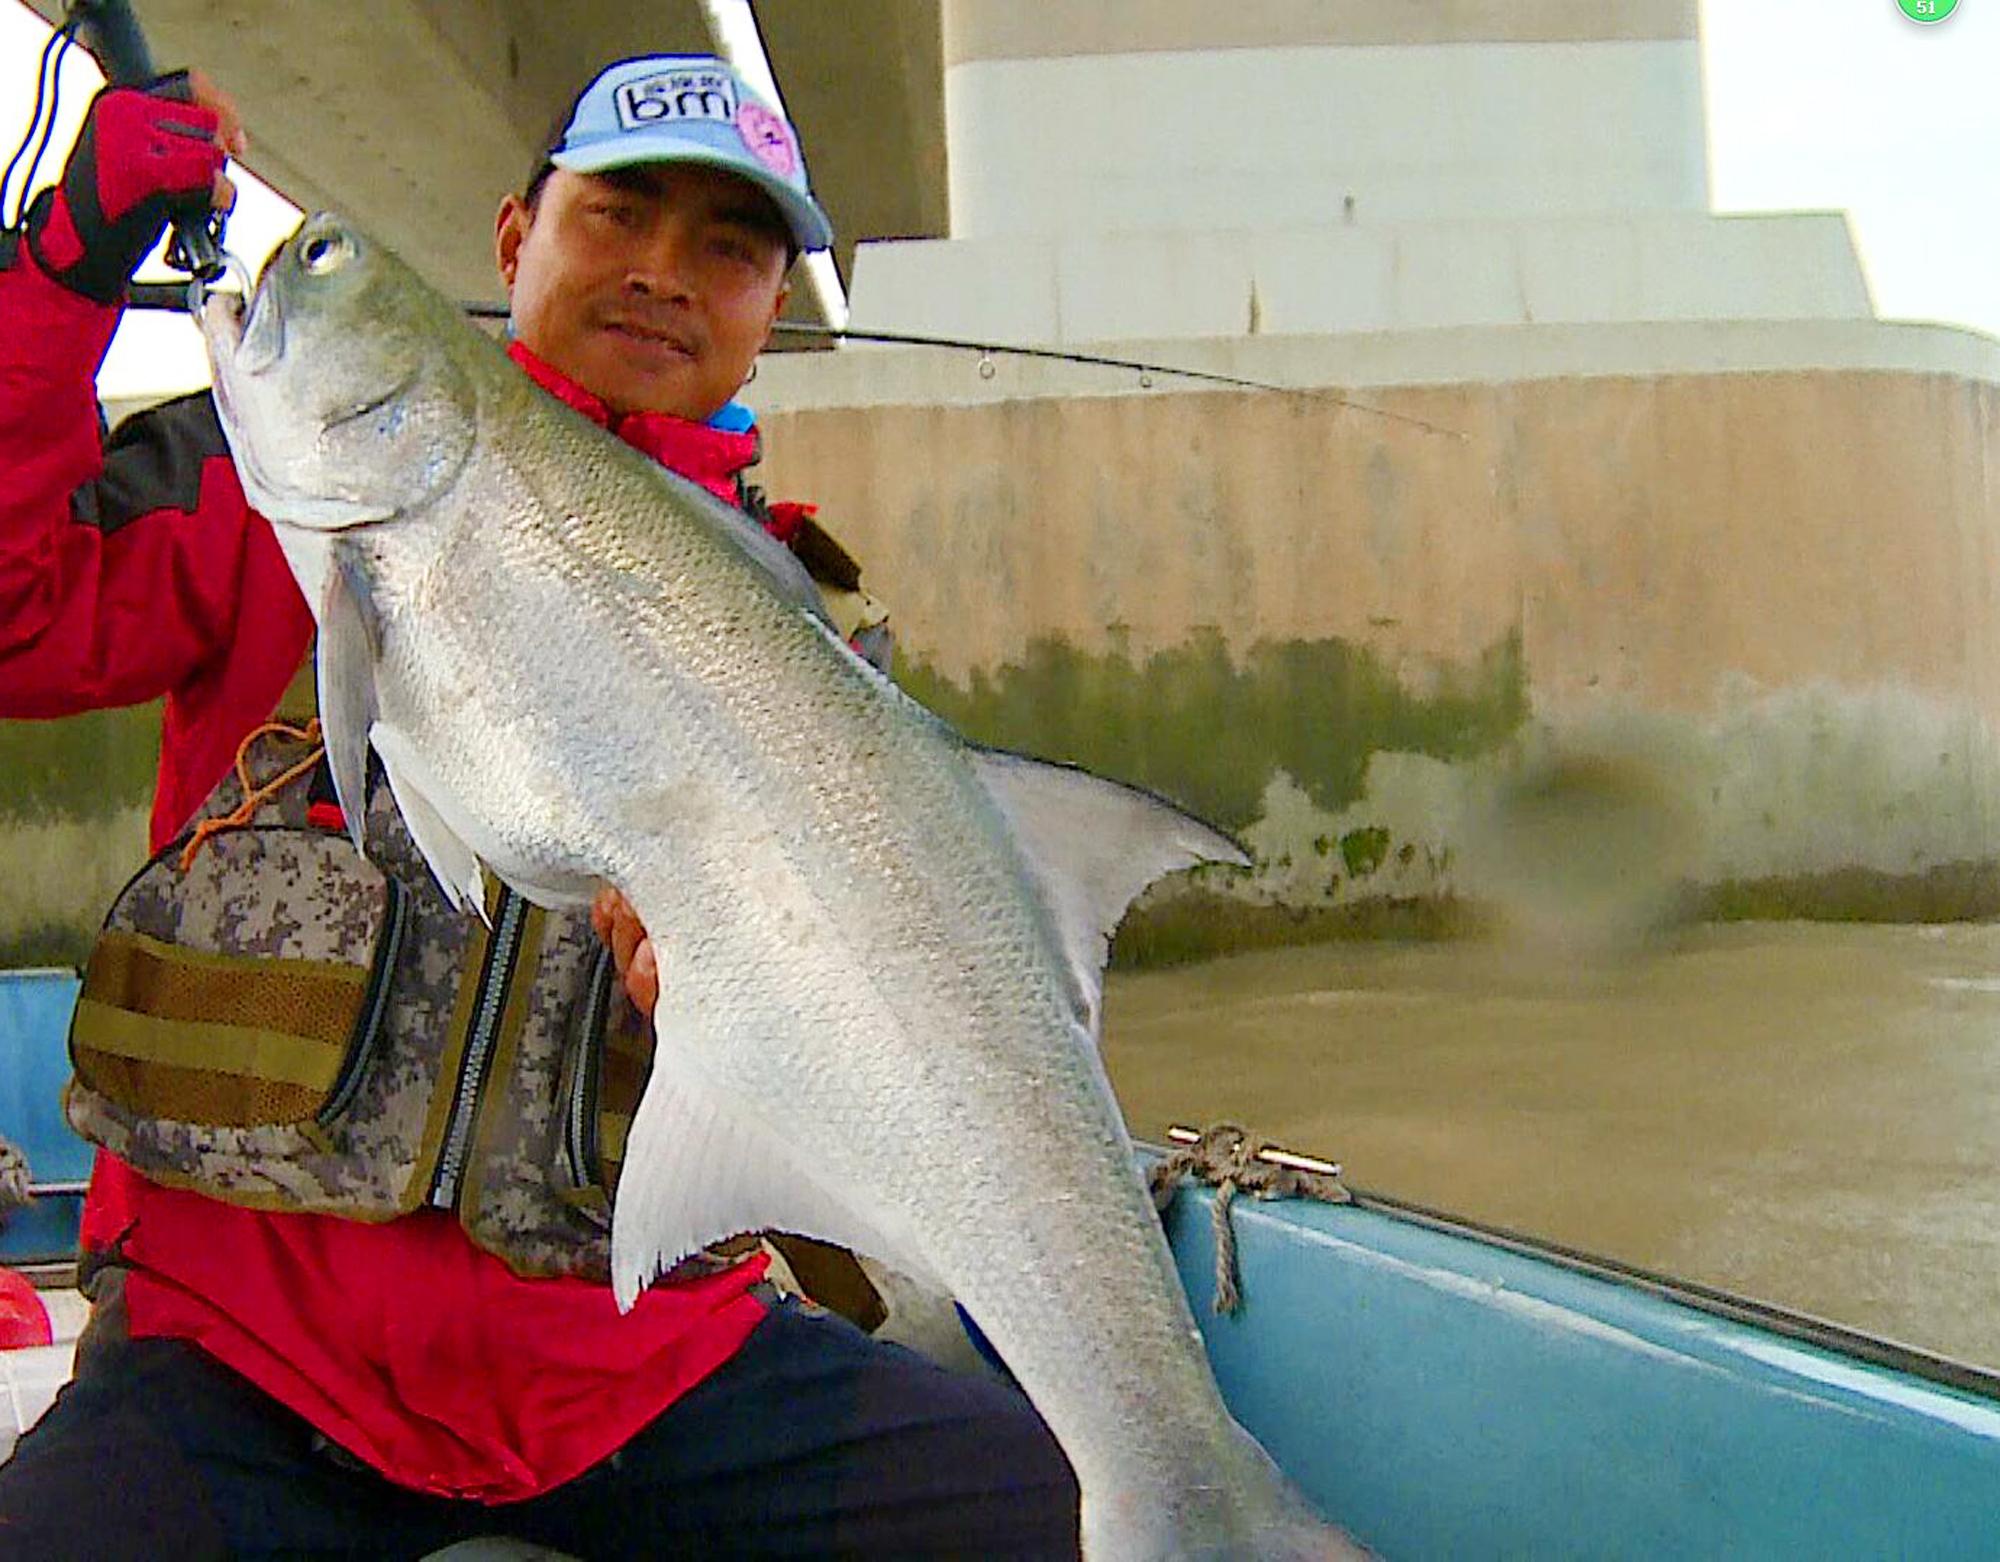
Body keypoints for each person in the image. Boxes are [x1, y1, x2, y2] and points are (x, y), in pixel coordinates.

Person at [0, 54, 1079, 1558]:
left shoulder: (821, 645)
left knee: (1057, 1515)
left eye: (729, 247)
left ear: (777, 307)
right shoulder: (267, 483)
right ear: (514, 239)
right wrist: (63, 268)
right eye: (617, 215)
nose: (659, 274)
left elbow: (856, 1079)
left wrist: (731, 1008)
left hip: (642, 1376)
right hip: (241, 1356)